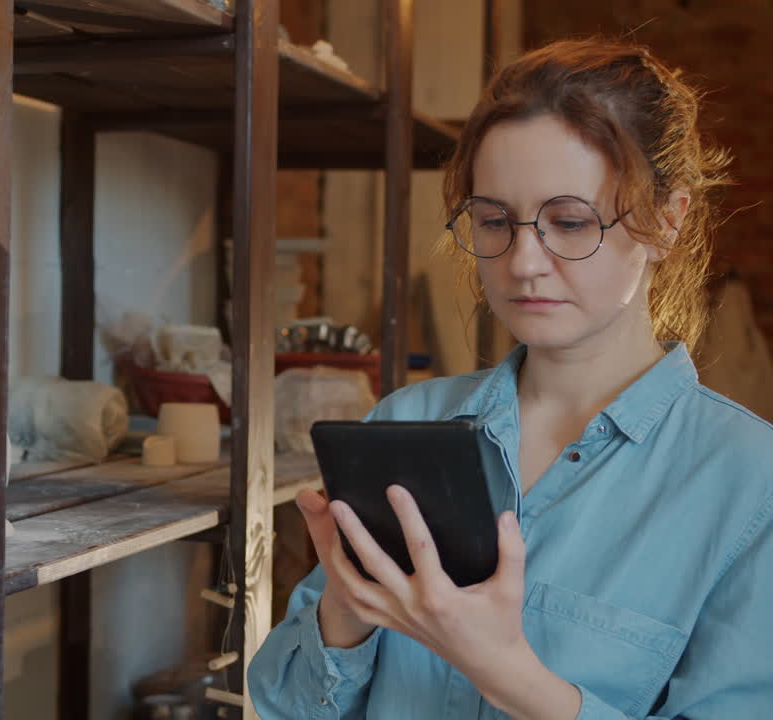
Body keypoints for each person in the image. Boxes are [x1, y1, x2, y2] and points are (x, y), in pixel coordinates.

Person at [248, 38, 773, 719]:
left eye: (570, 222)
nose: (523, 262)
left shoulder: (749, 483)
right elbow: (284, 705)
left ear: (666, 221)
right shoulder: (407, 424)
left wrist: (502, 670)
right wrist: (346, 612)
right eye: (494, 221)